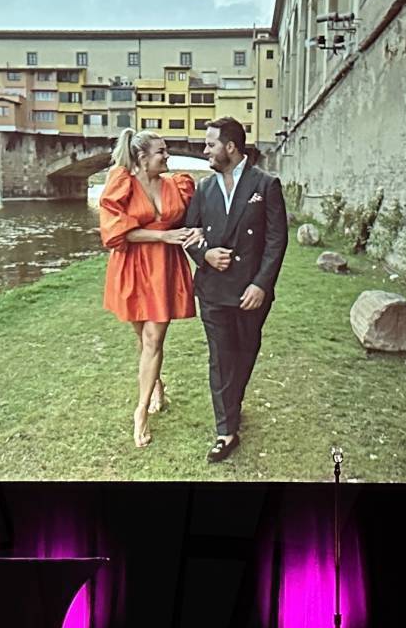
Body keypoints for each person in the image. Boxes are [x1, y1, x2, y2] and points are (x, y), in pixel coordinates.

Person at [184, 117, 287, 464]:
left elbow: (276, 240)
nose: (205, 151)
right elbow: (191, 231)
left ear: (230, 147)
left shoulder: (266, 184)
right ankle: (226, 430)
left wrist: (261, 283)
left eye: (210, 144)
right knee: (220, 356)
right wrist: (205, 254)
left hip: (250, 292)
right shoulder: (203, 189)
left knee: (245, 352)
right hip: (213, 290)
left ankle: (233, 405)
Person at [96, 128, 203, 448]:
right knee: (143, 338)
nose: (168, 156)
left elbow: (196, 218)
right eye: (161, 152)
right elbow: (114, 234)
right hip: (131, 266)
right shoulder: (122, 182)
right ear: (142, 158)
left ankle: (140, 411)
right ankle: (156, 386)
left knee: (154, 339)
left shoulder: (178, 185)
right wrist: (162, 236)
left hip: (164, 269)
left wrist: (192, 233)